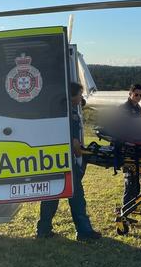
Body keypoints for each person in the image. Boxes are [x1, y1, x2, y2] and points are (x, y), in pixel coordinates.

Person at [37, 82, 101, 241]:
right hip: (67, 161)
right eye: (80, 94)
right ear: (73, 95)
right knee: (77, 197)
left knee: (51, 195)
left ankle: (43, 230)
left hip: (53, 160)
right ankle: (84, 232)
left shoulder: (57, 110)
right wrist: (79, 158)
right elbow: (74, 143)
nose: (81, 97)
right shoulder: (69, 113)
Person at [120, 83, 141, 206]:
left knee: (136, 174)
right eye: (136, 94)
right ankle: (127, 203)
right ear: (130, 94)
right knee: (129, 175)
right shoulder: (124, 108)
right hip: (127, 145)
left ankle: (135, 199)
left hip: (136, 144)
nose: (138, 97)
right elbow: (121, 127)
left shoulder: (138, 108)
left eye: (140, 95)